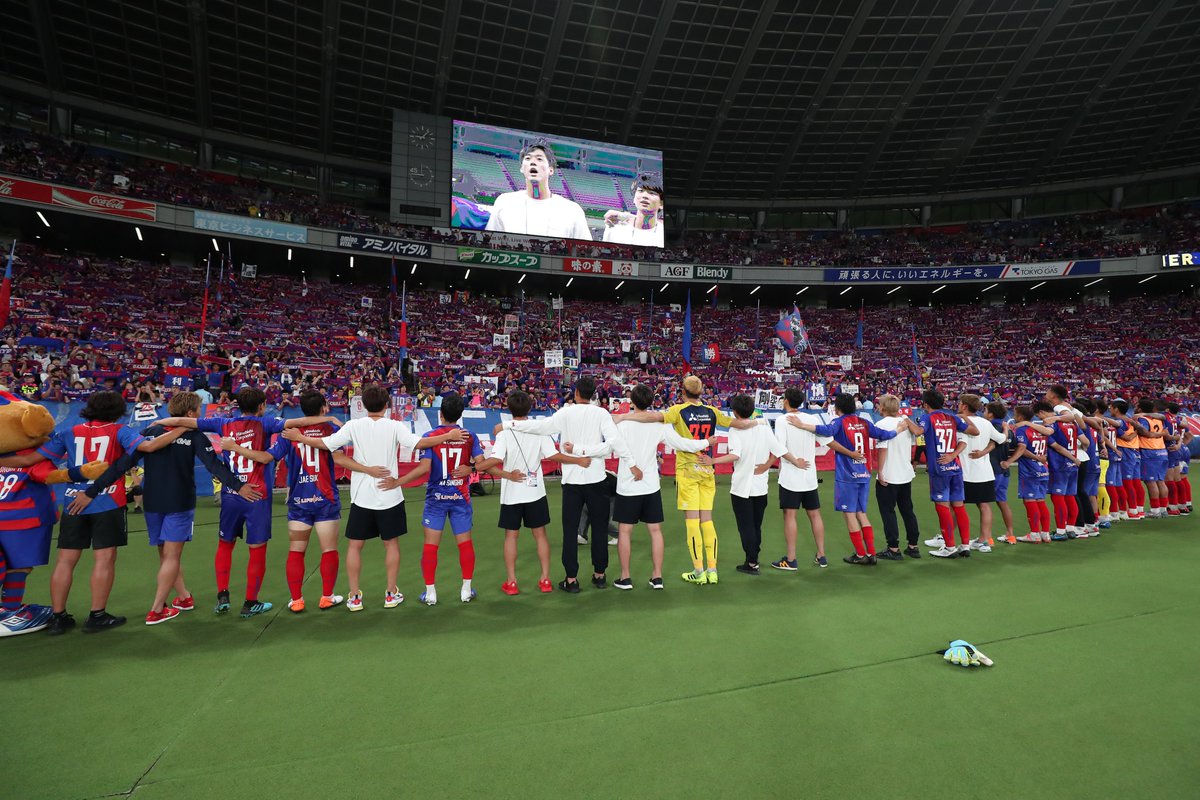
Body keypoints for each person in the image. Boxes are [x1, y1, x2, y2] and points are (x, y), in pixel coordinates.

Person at [66, 391, 258, 626]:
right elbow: (214, 466)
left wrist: (91, 491)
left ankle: (184, 597)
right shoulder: (195, 436)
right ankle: (157, 609)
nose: (200, 413)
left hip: (153, 503)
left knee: (166, 555)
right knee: (172, 556)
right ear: (190, 413)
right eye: (198, 409)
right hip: (180, 502)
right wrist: (239, 486)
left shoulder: (149, 432)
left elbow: (121, 465)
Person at [157, 386, 341, 617]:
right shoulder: (267, 424)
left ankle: (223, 595)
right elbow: (297, 425)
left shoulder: (222, 423)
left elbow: (190, 422)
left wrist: (162, 422)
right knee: (257, 550)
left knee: (225, 544)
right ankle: (250, 601)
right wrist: (330, 418)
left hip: (231, 494)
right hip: (257, 495)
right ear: (262, 406)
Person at [282, 384, 468, 611]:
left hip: (362, 497)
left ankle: (354, 597)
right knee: (391, 544)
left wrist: (299, 436)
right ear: (387, 405)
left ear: (363, 405)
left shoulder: (354, 425)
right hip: (389, 495)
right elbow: (420, 443)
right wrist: (449, 435)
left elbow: (325, 445)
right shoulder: (394, 425)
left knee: (355, 546)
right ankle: (390, 593)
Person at [34, 391, 186, 634]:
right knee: (104, 559)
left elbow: (38, 458)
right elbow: (148, 446)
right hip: (108, 502)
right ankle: (97, 616)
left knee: (65, 561)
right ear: (117, 410)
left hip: (74, 501)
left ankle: (59, 617)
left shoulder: (69, 432)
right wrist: (182, 428)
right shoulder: (120, 431)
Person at [219, 391, 381, 613]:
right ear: (324, 407)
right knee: (329, 549)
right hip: (324, 498)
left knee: (296, 549)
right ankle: (326, 597)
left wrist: (235, 448)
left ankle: (296, 600)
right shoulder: (332, 429)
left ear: (301, 410)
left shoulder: (289, 433)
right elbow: (339, 456)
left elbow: (267, 458)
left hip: (299, 499)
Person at [615, 374, 759, 585]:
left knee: (692, 522)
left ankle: (699, 571)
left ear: (682, 391)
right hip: (707, 469)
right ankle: (713, 570)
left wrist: (625, 417)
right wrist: (759, 421)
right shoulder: (712, 411)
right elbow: (740, 423)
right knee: (707, 521)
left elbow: (650, 417)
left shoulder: (677, 411)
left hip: (687, 470)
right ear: (701, 392)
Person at [562, 384, 709, 589]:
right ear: (652, 401)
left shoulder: (622, 423)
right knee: (655, 531)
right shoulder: (659, 424)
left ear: (632, 401)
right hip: (650, 486)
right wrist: (705, 442)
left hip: (628, 486)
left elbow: (605, 448)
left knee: (625, 532)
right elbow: (683, 443)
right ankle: (657, 576)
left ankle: (625, 577)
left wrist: (577, 449)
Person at [506, 376, 635, 593]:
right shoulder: (601, 413)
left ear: (576, 393)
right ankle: (599, 574)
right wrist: (630, 464)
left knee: (570, 531)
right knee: (600, 529)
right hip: (596, 479)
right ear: (593, 394)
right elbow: (615, 443)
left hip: (573, 482)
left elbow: (541, 427)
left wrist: (509, 424)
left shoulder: (565, 413)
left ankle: (571, 579)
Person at [475, 390, 591, 595]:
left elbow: (494, 461)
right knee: (541, 536)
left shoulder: (504, 432)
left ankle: (512, 582)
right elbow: (554, 455)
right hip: (535, 492)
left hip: (512, 493)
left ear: (508, 409)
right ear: (530, 408)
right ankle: (545, 579)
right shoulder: (539, 430)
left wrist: (484, 469)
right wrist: (578, 460)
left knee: (511, 536)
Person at [786, 392, 898, 565]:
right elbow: (885, 434)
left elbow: (825, 431)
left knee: (850, 514)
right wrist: (899, 428)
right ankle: (872, 553)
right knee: (862, 513)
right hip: (864, 474)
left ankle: (860, 554)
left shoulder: (838, 422)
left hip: (847, 475)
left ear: (837, 408)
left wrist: (802, 425)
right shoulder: (865, 422)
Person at [703, 394, 791, 576]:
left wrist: (713, 460)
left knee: (746, 526)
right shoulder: (764, 425)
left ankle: (752, 562)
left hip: (742, 486)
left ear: (734, 412)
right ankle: (753, 559)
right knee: (756, 525)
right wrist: (767, 465)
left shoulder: (736, 431)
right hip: (760, 486)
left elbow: (736, 455)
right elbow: (778, 450)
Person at [416, 393, 485, 605]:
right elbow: (482, 462)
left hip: (436, 497)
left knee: (430, 546)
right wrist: (471, 468)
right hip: (460, 497)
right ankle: (465, 590)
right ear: (460, 414)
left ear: (441, 413)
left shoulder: (430, 436)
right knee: (465, 544)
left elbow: (424, 468)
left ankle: (430, 593)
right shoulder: (469, 435)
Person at [770, 386, 838, 569]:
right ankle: (821, 555)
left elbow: (779, 448)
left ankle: (791, 559)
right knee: (814, 514)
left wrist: (794, 461)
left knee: (790, 515)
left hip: (791, 477)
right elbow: (828, 441)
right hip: (809, 476)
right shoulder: (811, 418)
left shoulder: (782, 420)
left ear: (786, 401)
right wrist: (850, 453)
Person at [915, 389, 979, 559]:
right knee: (959, 506)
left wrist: (906, 421)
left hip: (939, 468)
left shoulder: (927, 417)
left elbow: (918, 432)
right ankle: (965, 545)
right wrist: (963, 417)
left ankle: (949, 546)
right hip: (955, 467)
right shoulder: (952, 417)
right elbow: (974, 431)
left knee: (942, 507)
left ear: (926, 404)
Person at [484, 140, 591, 240]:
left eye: (539, 159)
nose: (533, 162)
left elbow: (586, 250)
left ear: (551, 170)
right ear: (522, 168)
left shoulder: (571, 210)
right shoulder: (505, 202)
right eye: (528, 158)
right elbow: (489, 241)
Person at [871, 394, 924, 560]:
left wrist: (880, 471)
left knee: (888, 512)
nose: (878, 408)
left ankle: (893, 548)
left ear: (884, 408)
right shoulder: (905, 423)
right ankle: (913, 546)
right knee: (908, 510)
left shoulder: (881, 424)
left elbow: (883, 449)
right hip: (905, 473)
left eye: (879, 405)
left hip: (889, 474)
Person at [958, 394, 1008, 553]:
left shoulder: (959, 421)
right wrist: (1006, 429)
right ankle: (984, 541)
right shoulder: (986, 424)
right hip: (985, 473)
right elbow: (1001, 439)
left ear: (965, 406)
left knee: (955, 506)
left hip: (964, 472)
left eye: (960, 403)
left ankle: (947, 539)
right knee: (984, 505)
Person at [1034, 401, 1090, 540]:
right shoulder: (1072, 424)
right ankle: (1070, 529)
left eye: (1039, 416)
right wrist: (1076, 455)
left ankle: (1060, 532)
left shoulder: (1052, 424)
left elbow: (1057, 446)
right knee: (1070, 497)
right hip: (1073, 465)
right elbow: (1086, 442)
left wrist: (1029, 425)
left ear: (1041, 412)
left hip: (1059, 465)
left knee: (1058, 498)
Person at [1006, 405, 1053, 543]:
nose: (1013, 416)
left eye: (1015, 414)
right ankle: (1045, 533)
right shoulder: (1040, 430)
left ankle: (1034, 534)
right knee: (1041, 501)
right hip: (1043, 469)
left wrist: (1009, 461)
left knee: (1030, 501)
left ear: (1020, 416)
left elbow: (1023, 449)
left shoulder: (1022, 429)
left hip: (1030, 470)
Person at [984, 401, 1017, 544]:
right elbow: (1015, 446)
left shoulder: (990, 427)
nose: (984, 412)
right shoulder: (1007, 428)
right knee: (1002, 502)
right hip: (1004, 470)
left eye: (985, 410)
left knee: (985, 504)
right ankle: (1010, 535)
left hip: (992, 470)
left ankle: (987, 538)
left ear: (991, 413)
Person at [602, 173, 665, 248]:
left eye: (652, 193)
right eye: (641, 191)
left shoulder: (662, 235)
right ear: (634, 199)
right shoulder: (615, 227)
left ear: (661, 204)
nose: (644, 196)